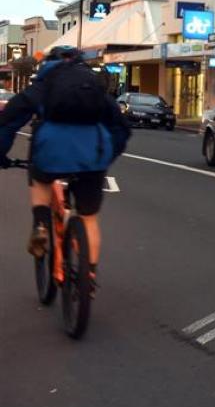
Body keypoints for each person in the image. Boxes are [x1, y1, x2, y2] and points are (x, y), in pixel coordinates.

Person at [0, 46, 131, 292]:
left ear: (47, 65)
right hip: (92, 158)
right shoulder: (94, 88)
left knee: (40, 181)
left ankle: (40, 225)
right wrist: (106, 157)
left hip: (50, 154)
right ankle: (89, 276)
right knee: (89, 218)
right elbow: (121, 129)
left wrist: (2, 155)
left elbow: (9, 122)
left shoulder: (43, 85)